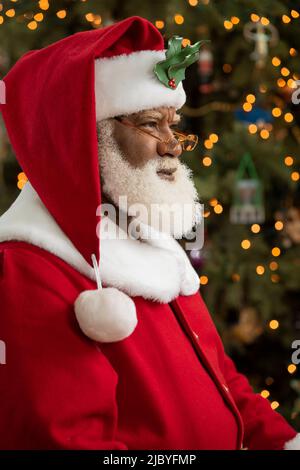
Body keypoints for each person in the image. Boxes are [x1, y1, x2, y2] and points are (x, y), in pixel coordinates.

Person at [0, 15, 299, 450]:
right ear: (88, 135)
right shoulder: (30, 266)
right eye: (149, 123)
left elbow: (224, 383)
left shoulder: (154, 241)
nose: (173, 143)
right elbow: (66, 441)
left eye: (172, 123)